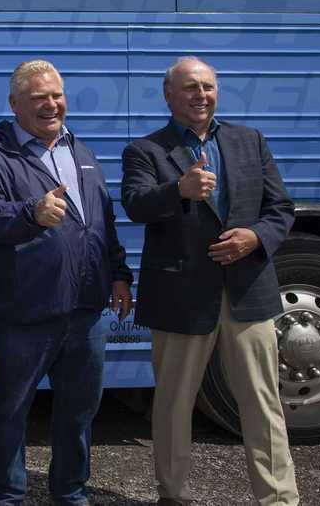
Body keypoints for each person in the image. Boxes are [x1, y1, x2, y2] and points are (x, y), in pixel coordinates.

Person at [120, 56, 299, 506]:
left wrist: (254, 237)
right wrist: (177, 192)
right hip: (181, 295)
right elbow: (136, 205)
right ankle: (173, 494)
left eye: (207, 86)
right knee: (174, 406)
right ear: (168, 95)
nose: (201, 95)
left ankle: (278, 498)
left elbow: (281, 209)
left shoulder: (248, 141)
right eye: (190, 88)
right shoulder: (146, 150)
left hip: (247, 290)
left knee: (263, 405)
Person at [0, 60, 133, 506]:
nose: (51, 104)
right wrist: (29, 215)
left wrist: (118, 272)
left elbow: (102, 221)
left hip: (85, 311)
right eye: (39, 98)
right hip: (24, 312)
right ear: (15, 104)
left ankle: (72, 492)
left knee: (79, 412)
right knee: (11, 411)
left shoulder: (82, 153)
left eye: (56, 95)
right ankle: (8, 495)